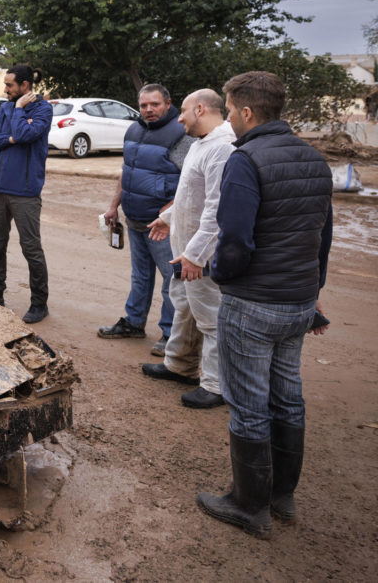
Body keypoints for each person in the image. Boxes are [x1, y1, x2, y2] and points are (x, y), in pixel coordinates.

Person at [197, 71, 333, 538]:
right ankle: (282, 496)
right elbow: (322, 239)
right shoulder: (315, 159)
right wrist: (311, 296)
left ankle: (248, 504)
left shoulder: (245, 159)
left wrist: (222, 276)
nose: (230, 118)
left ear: (247, 112)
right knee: (287, 398)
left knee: (249, 404)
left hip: (253, 304)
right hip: (296, 302)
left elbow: (235, 239)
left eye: (231, 110)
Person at [141, 89, 235, 408]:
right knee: (184, 306)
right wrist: (168, 217)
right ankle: (179, 365)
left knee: (210, 317)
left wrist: (196, 254)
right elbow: (189, 194)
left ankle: (215, 384)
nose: (178, 117)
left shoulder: (222, 147)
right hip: (186, 248)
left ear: (200, 108)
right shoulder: (201, 143)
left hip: (201, 253)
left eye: (182, 111)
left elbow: (217, 208)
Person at [98, 84, 195, 355]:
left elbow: (192, 183)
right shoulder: (134, 130)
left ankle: (170, 333)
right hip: (135, 219)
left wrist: (167, 215)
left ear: (168, 103)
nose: (149, 110)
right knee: (140, 276)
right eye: (144, 105)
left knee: (171, 281)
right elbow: (126, 171)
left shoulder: (181, 136)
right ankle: (134, 322)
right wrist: (113, 205)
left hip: (163, 226)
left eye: (155, 104)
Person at [0, 64, 53, 323]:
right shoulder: (4, 108)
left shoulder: (44, 109)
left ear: (25, 86)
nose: (5, 89)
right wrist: (10, 139)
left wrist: (20, 112)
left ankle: (39, 304)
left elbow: (25, 133)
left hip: (25, 191)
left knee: (31, 248)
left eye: (10, 85)